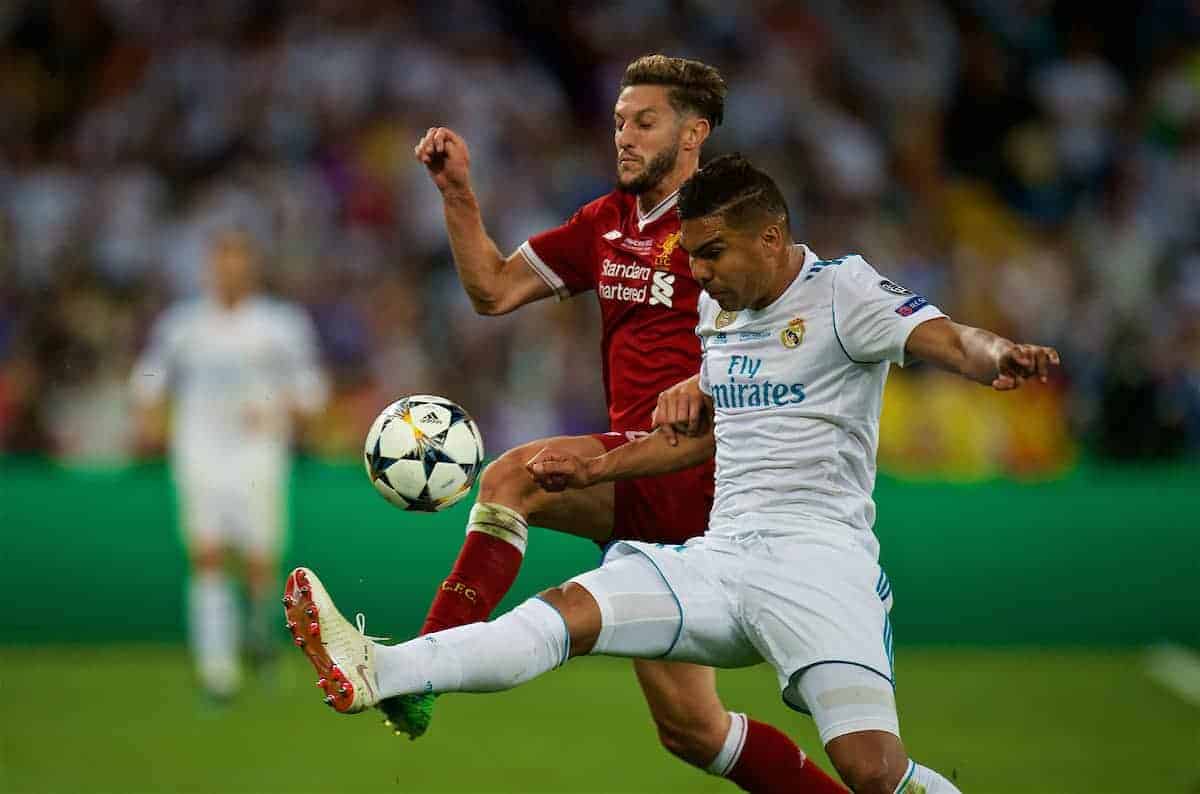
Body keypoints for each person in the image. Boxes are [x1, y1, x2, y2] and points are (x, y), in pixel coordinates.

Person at [285, 154, 1061, 792]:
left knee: (870, 773)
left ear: (771, 235)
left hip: (820, 563)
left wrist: (1001, 357)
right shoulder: (719, 316)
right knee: (565, 616)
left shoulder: (843, 292)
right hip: (722, 557)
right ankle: (380, 669)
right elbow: (699, 440)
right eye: (690, 256)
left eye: (713, 254)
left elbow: (950, 339)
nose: (701, 273)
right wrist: (592, 469)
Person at [392, 55, 844, 793]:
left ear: (693, 133)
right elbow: (495, 290)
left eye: (644, 122)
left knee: (512, 478)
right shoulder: (607, 223)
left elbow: (795, 329)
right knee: (693, 732)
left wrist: (716, 382)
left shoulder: (728, 229)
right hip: (638, 482)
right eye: (618, 123)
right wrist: (458, 196)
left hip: (697, 470)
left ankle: (420, 665)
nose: (624, 138)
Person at [133, 228, 327, 701]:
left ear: (252, 266)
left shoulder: (281, 324)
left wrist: (283, 409)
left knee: (261, 565)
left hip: (259, 455)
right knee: (207, 556)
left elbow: (310, 390)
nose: (229, 269)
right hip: (199, 452)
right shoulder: (183, 325)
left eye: (238, 259)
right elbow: (149, 379)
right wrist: (152, 418)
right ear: (209, 266)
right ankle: (217, 674)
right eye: (221, 259)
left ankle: (257, 638)